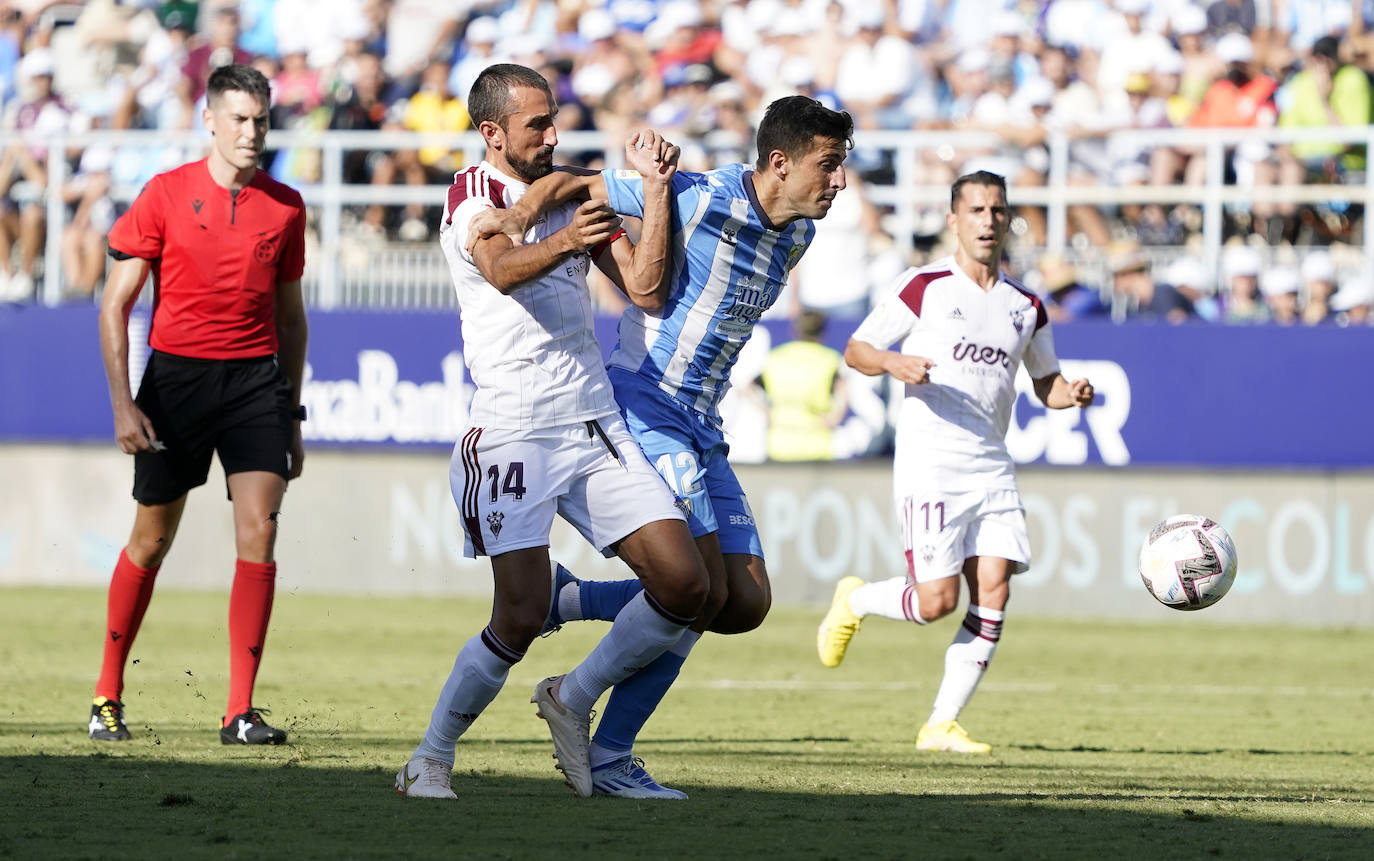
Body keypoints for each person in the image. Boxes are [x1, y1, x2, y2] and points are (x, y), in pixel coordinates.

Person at [470, 95, 853, 796]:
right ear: (779, 163)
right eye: (828, 166)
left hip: (702, 423)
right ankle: (595, 727)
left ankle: (571, 600)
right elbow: (576, 182)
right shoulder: (701, 195)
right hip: (647, 400)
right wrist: (522, 215)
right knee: (695, 592)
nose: (839, 182)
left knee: (745, 602)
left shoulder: (798, 235)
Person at [393, 63, 708, 801]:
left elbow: (646, 288)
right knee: (518, 614)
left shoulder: (566, 190)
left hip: (594, 422)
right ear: (492, 133)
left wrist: (655, 192)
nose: (552, 133)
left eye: (554, 118)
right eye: (537, 123)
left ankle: (571, 693)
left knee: (685, 583)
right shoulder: (473, 192)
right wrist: (568, 237)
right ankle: (428, 759)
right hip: (512, 433)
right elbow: (500, 267)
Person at [816, 171, 1094, 753]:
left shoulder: (1026, 307)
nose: (987, 220)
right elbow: (857, 350)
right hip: (931, 464)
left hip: (992, 463)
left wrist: (1074, 393)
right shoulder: (924, 287)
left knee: (994, 587)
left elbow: (1047, 384)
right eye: (975, 210)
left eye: (996, 210)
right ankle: (857, 599)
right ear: (953, 220)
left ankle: (940, 724)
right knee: (937, 602)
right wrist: (895, 364)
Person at [89, 64, 308, 746]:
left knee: (260, 529)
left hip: (255, 386)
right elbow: (114, 304)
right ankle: (106, 694)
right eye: (239, 119)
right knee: (151, 539)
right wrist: (124, 406)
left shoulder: (286, 205)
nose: (251, 132)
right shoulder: (163, 194)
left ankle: (239, 710)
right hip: (175, 386)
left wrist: (292, 412)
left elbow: (292, 318)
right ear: (209, 121)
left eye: (261, 120)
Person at [760, 310, 849, 461]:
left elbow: (748, 388)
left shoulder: (775, 357)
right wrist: (834, 418)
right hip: (816, 441)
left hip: (779, 442)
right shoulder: (830, 359)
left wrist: (768, 413)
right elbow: (844, 392)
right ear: (823, 331)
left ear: (795, 330)